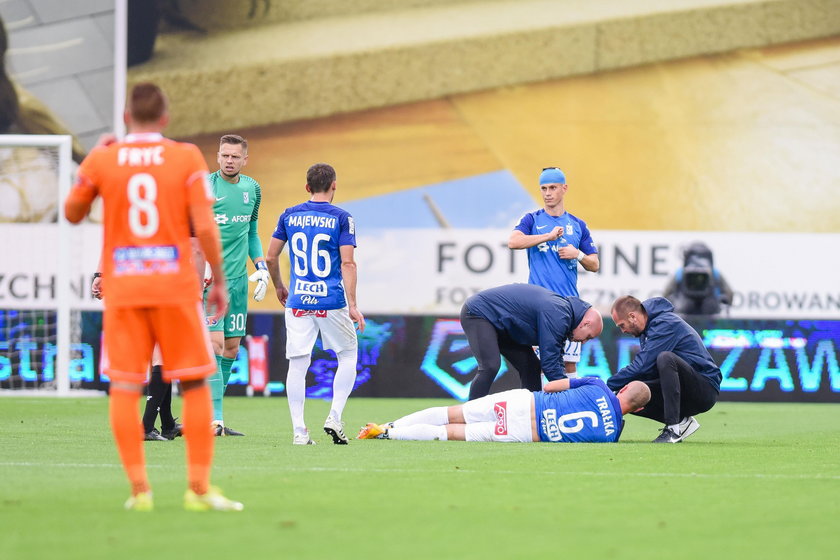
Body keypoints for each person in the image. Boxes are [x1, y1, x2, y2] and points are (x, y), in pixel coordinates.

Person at [64, 82, 242, 511]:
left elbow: (72, 213)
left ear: (127, 117)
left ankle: (139, 491)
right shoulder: (184, 156)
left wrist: (90, 165)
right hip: (175, 287)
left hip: (125, 288)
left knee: (125, 387)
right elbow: (205, 226)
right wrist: (218, 280)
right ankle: (199, 489)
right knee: (197, 382)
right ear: (165, 118)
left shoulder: (106, 158)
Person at [265, 163, 365, 445]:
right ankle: (334, 415)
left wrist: (279, 286)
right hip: (330, 299)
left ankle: (299, 431)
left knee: (297, 363)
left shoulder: (289, 215)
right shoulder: (342, 218)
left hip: (297, 299)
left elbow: (271, 257)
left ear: (307, 187)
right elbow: (348, 262)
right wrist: (354, 304)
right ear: (334, 185)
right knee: (347, 355)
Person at [203, 133, 269, 437]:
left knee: (231, 349)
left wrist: (261, 266)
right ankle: (213, 417)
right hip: (210, 281)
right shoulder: (205, 186)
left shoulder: (252, 188)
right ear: (217, 156)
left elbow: (252, 232)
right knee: (214, 345)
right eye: (224, 155)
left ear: (245, 159)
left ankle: (214, 416)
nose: (229, 161)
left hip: (239, 283)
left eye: (234, 156)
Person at [357, 377, 650, 443]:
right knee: (448, 433)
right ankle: (385, 435)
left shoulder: (598, 385)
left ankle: (389, 424)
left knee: (451, 413)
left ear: (622, 390)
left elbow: (549, 387)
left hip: (523, 403)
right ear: (637, 410)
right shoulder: (612, 436)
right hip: (524, 432)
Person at [508, 167, 599, 378]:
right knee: (540, 364)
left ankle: (567, 408)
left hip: (569, 306)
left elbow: (594, 264)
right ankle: (541, 410)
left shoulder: (577, 225)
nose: (548, 193)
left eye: (553, 187)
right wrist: (547, 237)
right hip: (538, 306)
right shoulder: (532, 219)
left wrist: (577, 255)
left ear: (564, 189)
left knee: (569, 365)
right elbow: (513, 241)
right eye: (543, 188)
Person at [607, 295, 722, 443]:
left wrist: (604, 387)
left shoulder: (665, 323)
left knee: (666, 358)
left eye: (622, 325)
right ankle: (682, 422)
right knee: (630, 392)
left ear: (632, 316)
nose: (622, 330)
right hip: (685, 388)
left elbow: (643, 366)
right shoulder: (649, 329)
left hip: (705, 388)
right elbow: (647, 370)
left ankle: (673, 431)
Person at [461, 283, 603, 400]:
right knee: (490, 366)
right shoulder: (559, 313)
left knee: (531, 367)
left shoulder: (565, 315)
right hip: (478, 313)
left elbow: (556, 360)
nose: (584, 342)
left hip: (503, 326)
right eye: (588, 337)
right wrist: (571, 396)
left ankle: (530, 416)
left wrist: (566, 388)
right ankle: (470, 416)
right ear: (585, 324)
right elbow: (550, 363)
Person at [663, 241, 734, 316]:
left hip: (685, 316)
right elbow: (729, 295)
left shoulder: (680, 273)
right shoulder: (715, 273)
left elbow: (666, 296)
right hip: (709, 317)